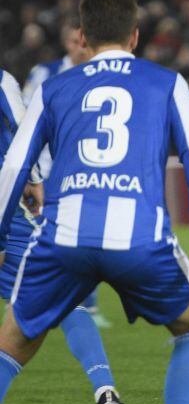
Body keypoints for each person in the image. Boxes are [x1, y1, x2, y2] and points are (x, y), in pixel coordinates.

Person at [0, 0, 189, 404]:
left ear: (81, 36)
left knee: (13, 343)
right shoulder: (166, 83)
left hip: (62, 238)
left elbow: (15, 166)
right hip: (139, 240)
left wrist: (1, 241)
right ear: (136, 36)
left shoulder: (53, 88)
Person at [1, 67, 132, 404]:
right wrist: (33, 179)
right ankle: (106, 392)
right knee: (66, 299)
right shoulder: (3, 81)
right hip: (6, 213)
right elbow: (21, 130)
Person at [21, 22, 113, 329]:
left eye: (82, 42)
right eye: (73, 42)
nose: (79, 48)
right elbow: (24, 118)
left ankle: (88, 306)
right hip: (45, 173)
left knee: (89, 235)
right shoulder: (44, 74)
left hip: (84, 173)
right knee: (44, 240)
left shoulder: (102, 76)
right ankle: (39, 302)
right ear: (66, 43)